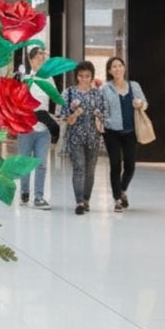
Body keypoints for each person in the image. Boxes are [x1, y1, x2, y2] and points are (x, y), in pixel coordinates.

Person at [101, 56, 147, 212]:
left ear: (124, 68)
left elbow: (145, 103)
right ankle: (117, 199)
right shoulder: (105, 89)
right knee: (115, 164)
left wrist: (140, 104)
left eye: (120, 66)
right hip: (111, 132)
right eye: (114, 66)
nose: (117, 69)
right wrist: (105, 121)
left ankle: (122, 189)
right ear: (109, 71)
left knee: (130, 165)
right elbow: (102, 108)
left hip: (131, 131)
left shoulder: (134, 86)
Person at [60, 61, 105, 215]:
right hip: (75, 137)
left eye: (87, 76)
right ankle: (79, 201)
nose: (84, 79)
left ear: (92, 77)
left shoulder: (98, 94)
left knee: (90, 170)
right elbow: (65, 117)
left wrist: (99, 115)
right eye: (81, 76)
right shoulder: (69, 93)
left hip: (93, 137)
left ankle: (86, 199)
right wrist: (74, 114)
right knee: (79, 168)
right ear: (77, 77)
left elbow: (104, 114)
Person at [18, 46, 52, 210]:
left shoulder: (49, 79)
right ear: (31, 60)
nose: (41, 59)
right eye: (38, 57)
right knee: (25, 163)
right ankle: (24, 192)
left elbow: (55, 99)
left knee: (41, 163)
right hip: (26, 129)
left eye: (42, 57)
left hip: (43, 129)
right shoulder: (24, 79)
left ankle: (39, 196)